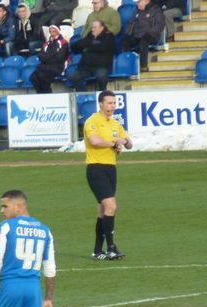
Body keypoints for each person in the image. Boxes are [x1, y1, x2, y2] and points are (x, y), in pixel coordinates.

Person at [84, 90, 131, 260]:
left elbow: (129, 143)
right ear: (101, 104)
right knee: (111, 206)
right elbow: (94, 141)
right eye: (109, 103)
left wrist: (123, 141)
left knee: (103, 210)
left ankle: (97, 251)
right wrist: (113, 142)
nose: (113, 106)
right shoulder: (92, 121)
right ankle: (111, 247)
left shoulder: (114, 124)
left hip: (111, 169)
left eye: (114, 103)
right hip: (96, 168)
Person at [68, 19, 114, 90]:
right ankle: (84, 94)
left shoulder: (109, 36)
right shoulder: (90, 35)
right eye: (92, 27)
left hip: (101, 66)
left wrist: (87, 46)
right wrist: (92, 43)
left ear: (101, 28)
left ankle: (102, 94)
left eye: (95, 27)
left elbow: (103, 47)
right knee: (73, 78)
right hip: (85, 67)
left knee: (102, 77)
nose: (92, 29)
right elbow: (77, 45)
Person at [121, 0, 165, 72]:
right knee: (125, 41)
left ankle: (143, 66)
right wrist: (127, 34)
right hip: (138, 35)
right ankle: (126, 65)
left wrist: (150, 33)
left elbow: (160, 25)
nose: (137, 3)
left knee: (144, 41)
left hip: (151, 35)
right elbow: (130, 23)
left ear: (146, 1)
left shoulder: (155, 9)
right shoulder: (137, 11)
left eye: (139, 2)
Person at [29, 24, 69, 93]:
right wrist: (53, 53)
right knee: (33, 77)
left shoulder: (63, 42)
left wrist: (46, 57)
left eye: (54, 30)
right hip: (44, 66)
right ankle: (40, 94)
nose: (52, 32)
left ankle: (48, 95)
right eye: (50, 31)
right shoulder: (46, 43)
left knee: (43, 77)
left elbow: (59, 57)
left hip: (57, 67)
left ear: (58, 31)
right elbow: (40, 56)